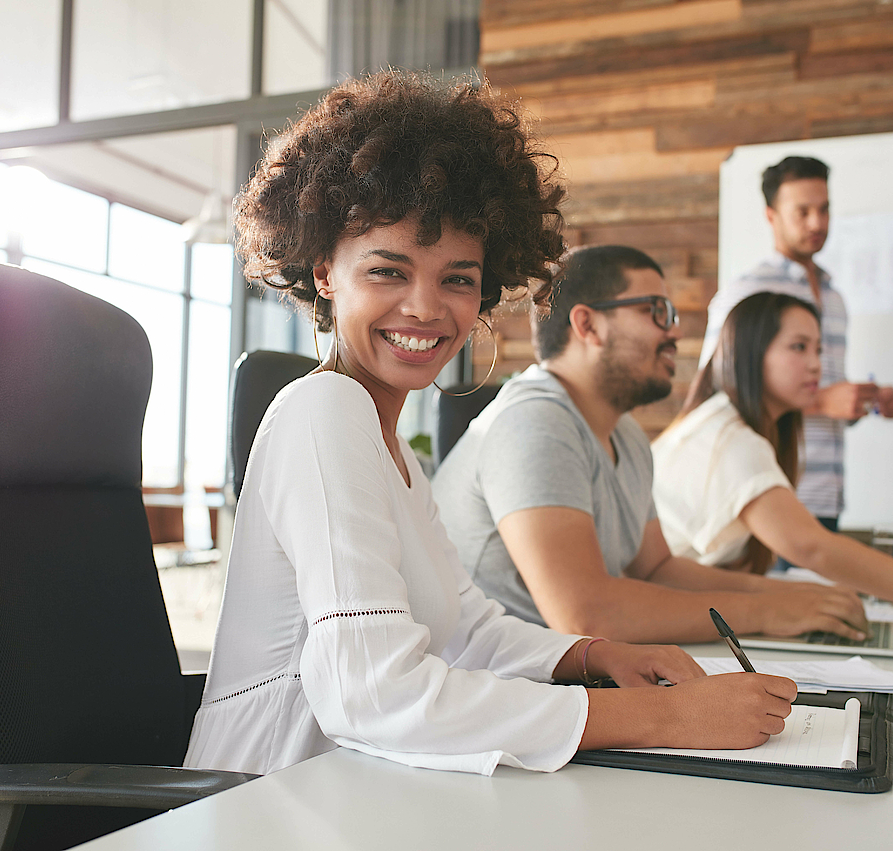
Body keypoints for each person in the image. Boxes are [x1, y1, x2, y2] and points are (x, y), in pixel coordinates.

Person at [184, 72, 796, 779]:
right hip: (266, 800)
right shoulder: (325, 412)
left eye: (457, 278)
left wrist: (592, 654)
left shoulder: (393, 448)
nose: (425, 307)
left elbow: (466, 625)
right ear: (325, 272)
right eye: (388, 270)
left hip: (358, 787)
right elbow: (373, 691)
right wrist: (668, 717)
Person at [432, 245, 866, 645]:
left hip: (562, 679)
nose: (675, 329)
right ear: (588, 325)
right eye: (656, 311)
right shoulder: (533, 422)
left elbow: (657, 571)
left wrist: (793, 597)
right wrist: (766, 610)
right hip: (499, 692)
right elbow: (585, 616)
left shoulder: (627, 436)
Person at [653, 291, 893, 600]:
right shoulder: (731, 438)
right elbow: (812, 548)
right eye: (799, 347)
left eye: (818, 350)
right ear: (751, 352)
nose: (815, 365)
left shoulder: (735, 423)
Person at [699, 155, 893, 534]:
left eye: (824, 209)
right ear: (771, 215)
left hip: (828, 497)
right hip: (768, 492)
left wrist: (860, 401)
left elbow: (811, 388)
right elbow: (716, 390)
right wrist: (821, 400)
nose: (817, 223)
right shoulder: (748, 292)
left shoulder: (835, 297)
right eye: (802, 211)